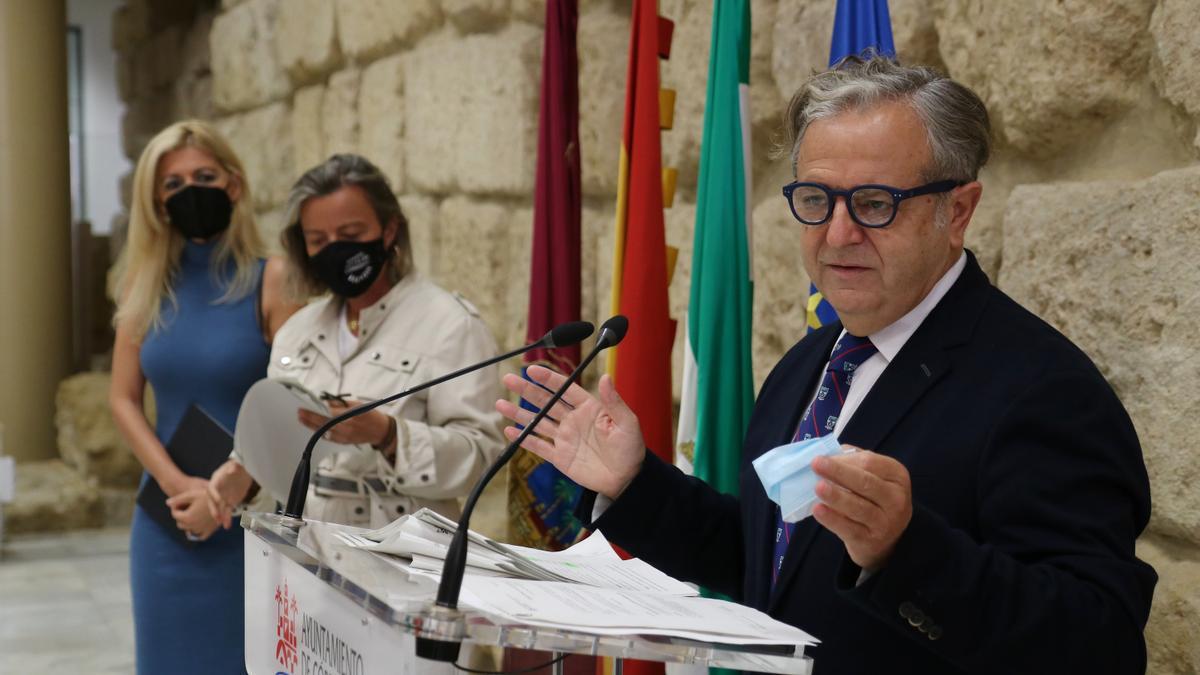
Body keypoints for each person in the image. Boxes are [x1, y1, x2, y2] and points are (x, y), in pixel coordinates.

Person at [496, 56, 1156, 674]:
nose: (837, 234)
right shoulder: (811, 361)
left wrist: (905, 550)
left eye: (874, 204)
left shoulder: (1043, 389)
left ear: (956, 211)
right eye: (815, 200)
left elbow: (1100, 643)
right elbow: (773, 562)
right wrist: (635, 483)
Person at [207, 153, 505, 529]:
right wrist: (244, 475)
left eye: (350, 236)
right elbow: (279, 450)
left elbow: (482, 456)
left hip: (405, 561)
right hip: (307, 557)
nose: (336, 250)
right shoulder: (296, 333)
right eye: (319, 240)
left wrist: (388, 434)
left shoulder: (450, 325)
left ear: (390, 230)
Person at [109, 120, 299, 674]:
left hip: (252, 515)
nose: (189, 190)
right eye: (172, 184)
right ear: (156, 202)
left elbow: (292, 403)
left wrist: (229, 494)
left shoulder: (274, 280)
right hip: (168, 518)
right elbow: (122, 399)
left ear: (233, 185)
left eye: (204, 175)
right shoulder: (142, 285)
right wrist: (179, 486)